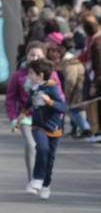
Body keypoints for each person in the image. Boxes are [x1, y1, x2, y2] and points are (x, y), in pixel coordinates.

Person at [23, 58, 66, 199]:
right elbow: (28, 105)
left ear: (40, 75)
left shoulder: (52, 88)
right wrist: (17, 120)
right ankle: (36, 179)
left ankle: (46, 184)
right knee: (42, 148)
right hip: (37, 126)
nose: (29, 76)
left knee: (50, 159)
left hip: (54, 128)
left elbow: (63, 107)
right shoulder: (33, 89)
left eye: (31, 73)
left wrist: (49, 101)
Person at [5, 41, 47, 185]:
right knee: (31, 144)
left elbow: (58, 93)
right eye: (32, 55)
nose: (35, 58)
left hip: (44, 118)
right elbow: (10, 98)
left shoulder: (49, 74)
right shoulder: (18, 76)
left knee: (42, 148)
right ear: (27, 56)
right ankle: (32, 179)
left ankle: (41, 176)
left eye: (38, 55)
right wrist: (12, 118)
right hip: (25, 117)